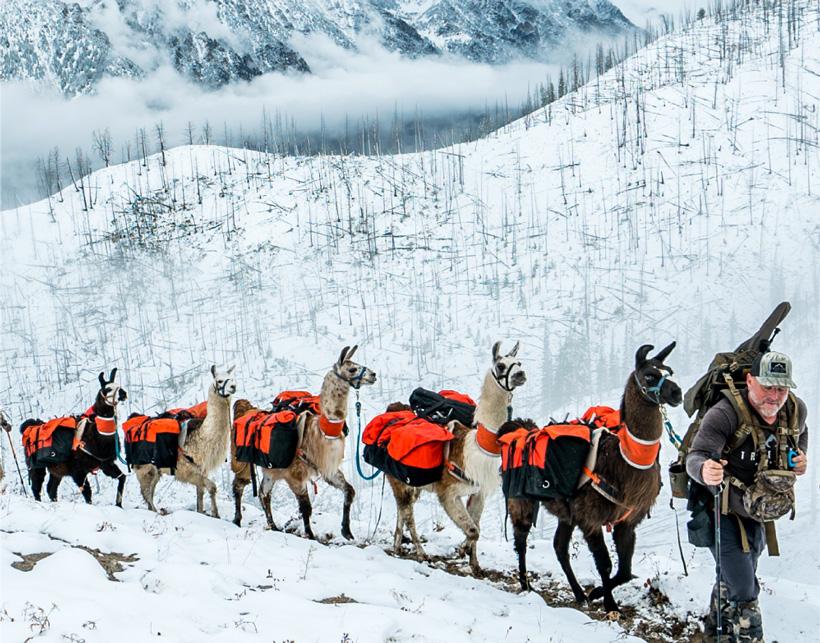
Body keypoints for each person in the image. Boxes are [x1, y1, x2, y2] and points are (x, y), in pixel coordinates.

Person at [687, 351, 808, 642]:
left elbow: (800, 436)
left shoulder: (794, 409)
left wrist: (800, 459)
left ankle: (717, 633)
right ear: (750, 381)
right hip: (722, 508)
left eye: (781, 388)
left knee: (738, 573)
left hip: (758, 511)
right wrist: (705, 470)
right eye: (767, 386)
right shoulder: (725, 413)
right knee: (744, 586)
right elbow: (696, 455)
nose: (774, 396)